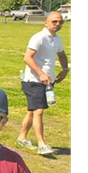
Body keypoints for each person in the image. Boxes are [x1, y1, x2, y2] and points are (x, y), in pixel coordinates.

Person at [16, 12, 70, 156]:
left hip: (48, 81)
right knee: (38, 111)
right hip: (33, 80)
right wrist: (41, 74)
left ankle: (22, 138)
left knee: (32, 111)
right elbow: (27, 58)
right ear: (46, 22)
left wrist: (65, 70)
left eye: (60, 22)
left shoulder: (57, 39)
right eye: (54, 22)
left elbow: (62, 55)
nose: (57, 24)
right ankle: (42, 144)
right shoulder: (38, 38)